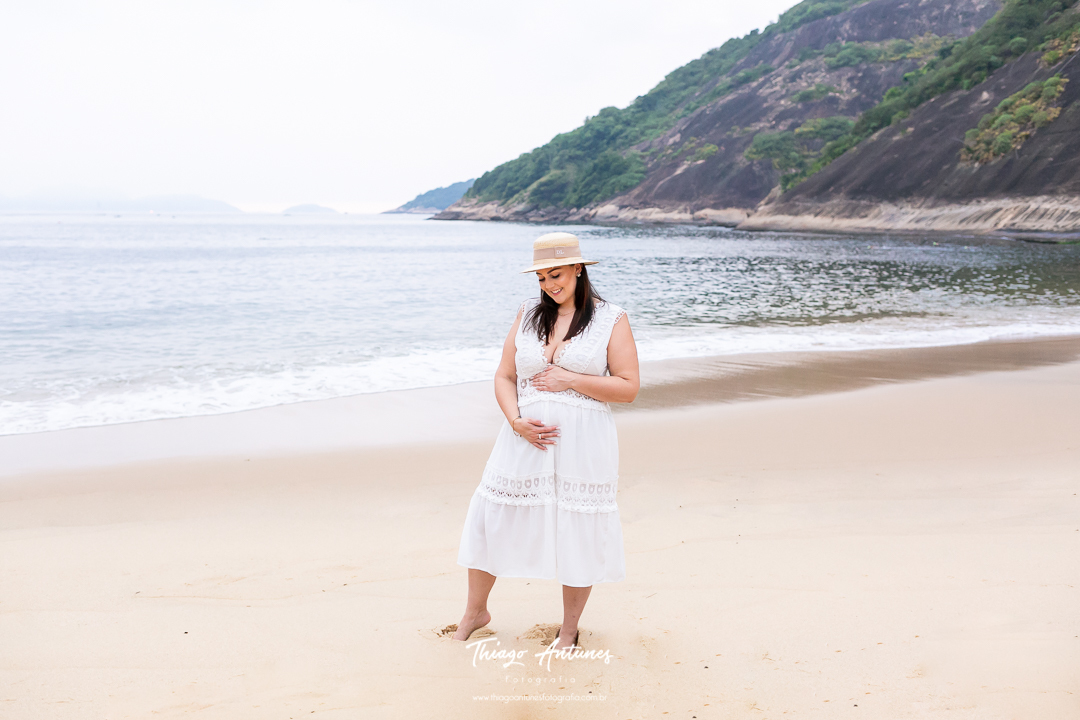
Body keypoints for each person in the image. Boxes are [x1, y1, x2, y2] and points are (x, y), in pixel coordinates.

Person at [453, 231, 639, 649]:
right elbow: (504, 375)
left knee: (579, 527)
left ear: (577, 268)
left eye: (555, 274)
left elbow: (628, 388)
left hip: (584, 441)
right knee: (493, 515)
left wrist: (571, 378)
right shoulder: (527, 313)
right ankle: (475, 612)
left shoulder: (611, 318)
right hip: (523, 437)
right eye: (540, 277)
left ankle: (569, 630)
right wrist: (515, 419)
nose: (548, 285)